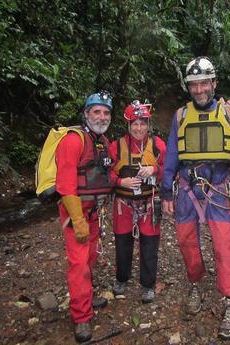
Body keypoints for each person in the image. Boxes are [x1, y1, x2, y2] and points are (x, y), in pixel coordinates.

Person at [161, 56, 230, 340]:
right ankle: (196, 283)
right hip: (187, 188)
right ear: (188, 87)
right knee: (187, 241)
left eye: (204, 84)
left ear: (214, 83)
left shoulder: (229, 113)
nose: (199, 90)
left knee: (223, 245)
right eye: (193, 85)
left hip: (218, 188)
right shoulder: (180, 116)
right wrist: (166, 190)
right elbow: (172, 155)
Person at [55, 91, 114, 343]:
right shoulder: (73, 141)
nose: (101, 116)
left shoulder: (103, 140)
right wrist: (77, 220)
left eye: (106, 112)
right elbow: (66, 186)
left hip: (95, 213)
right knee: (79, 265)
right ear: (86, 113)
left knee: (89, 260)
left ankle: (86, 299)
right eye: (96, 112)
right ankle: (81, 317)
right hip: (77, 214)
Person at [108, 100, 166, 303]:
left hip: (150, 202)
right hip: (123, 203)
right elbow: (105, 174)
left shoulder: (157, 145)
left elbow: (169, 170)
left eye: (143, 123)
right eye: (135, 123)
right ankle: (122, 279)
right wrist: (120, 181)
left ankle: (148, 285)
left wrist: (155, 169)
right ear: (128, 125)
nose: (139, 128)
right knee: (122, 242)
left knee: (150, 244)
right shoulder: (117, 146)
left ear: (148, 125)